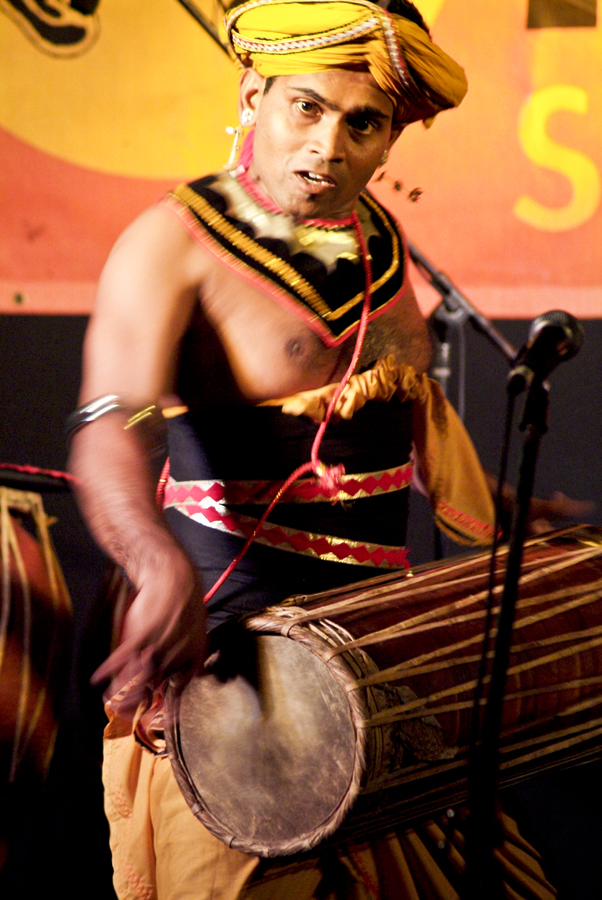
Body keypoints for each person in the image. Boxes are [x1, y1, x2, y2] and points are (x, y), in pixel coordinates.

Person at [68, 1, 558, 897]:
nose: (329, 145)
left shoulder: (378, 244)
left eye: (362, 123)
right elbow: (111, 427)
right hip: (234, 664)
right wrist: (154, 564)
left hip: (381, 660)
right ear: (253, 93)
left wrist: (515, 521)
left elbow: (398, 421)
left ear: (391, 141)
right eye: (306, 107)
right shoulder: (169, 244)